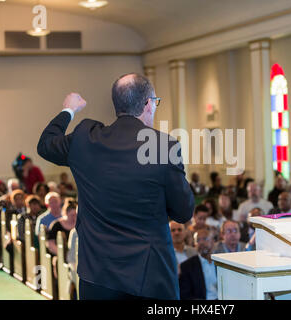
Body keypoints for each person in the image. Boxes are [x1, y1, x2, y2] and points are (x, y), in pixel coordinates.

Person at [37, 73, 194, 300]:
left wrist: (68, 109)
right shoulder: (162, 146)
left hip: (97, 276)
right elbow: (183, 211)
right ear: (148, 104)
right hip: (150, 276)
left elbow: (45, 144)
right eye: (155, 102)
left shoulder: (85, 138)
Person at [179, 228, 217, 300]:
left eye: (205, 239)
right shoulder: (186, 266)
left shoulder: (221, 262)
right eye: (198, 240)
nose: (201, 242)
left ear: (213, 241)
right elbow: (185, 295)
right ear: (194, 245)